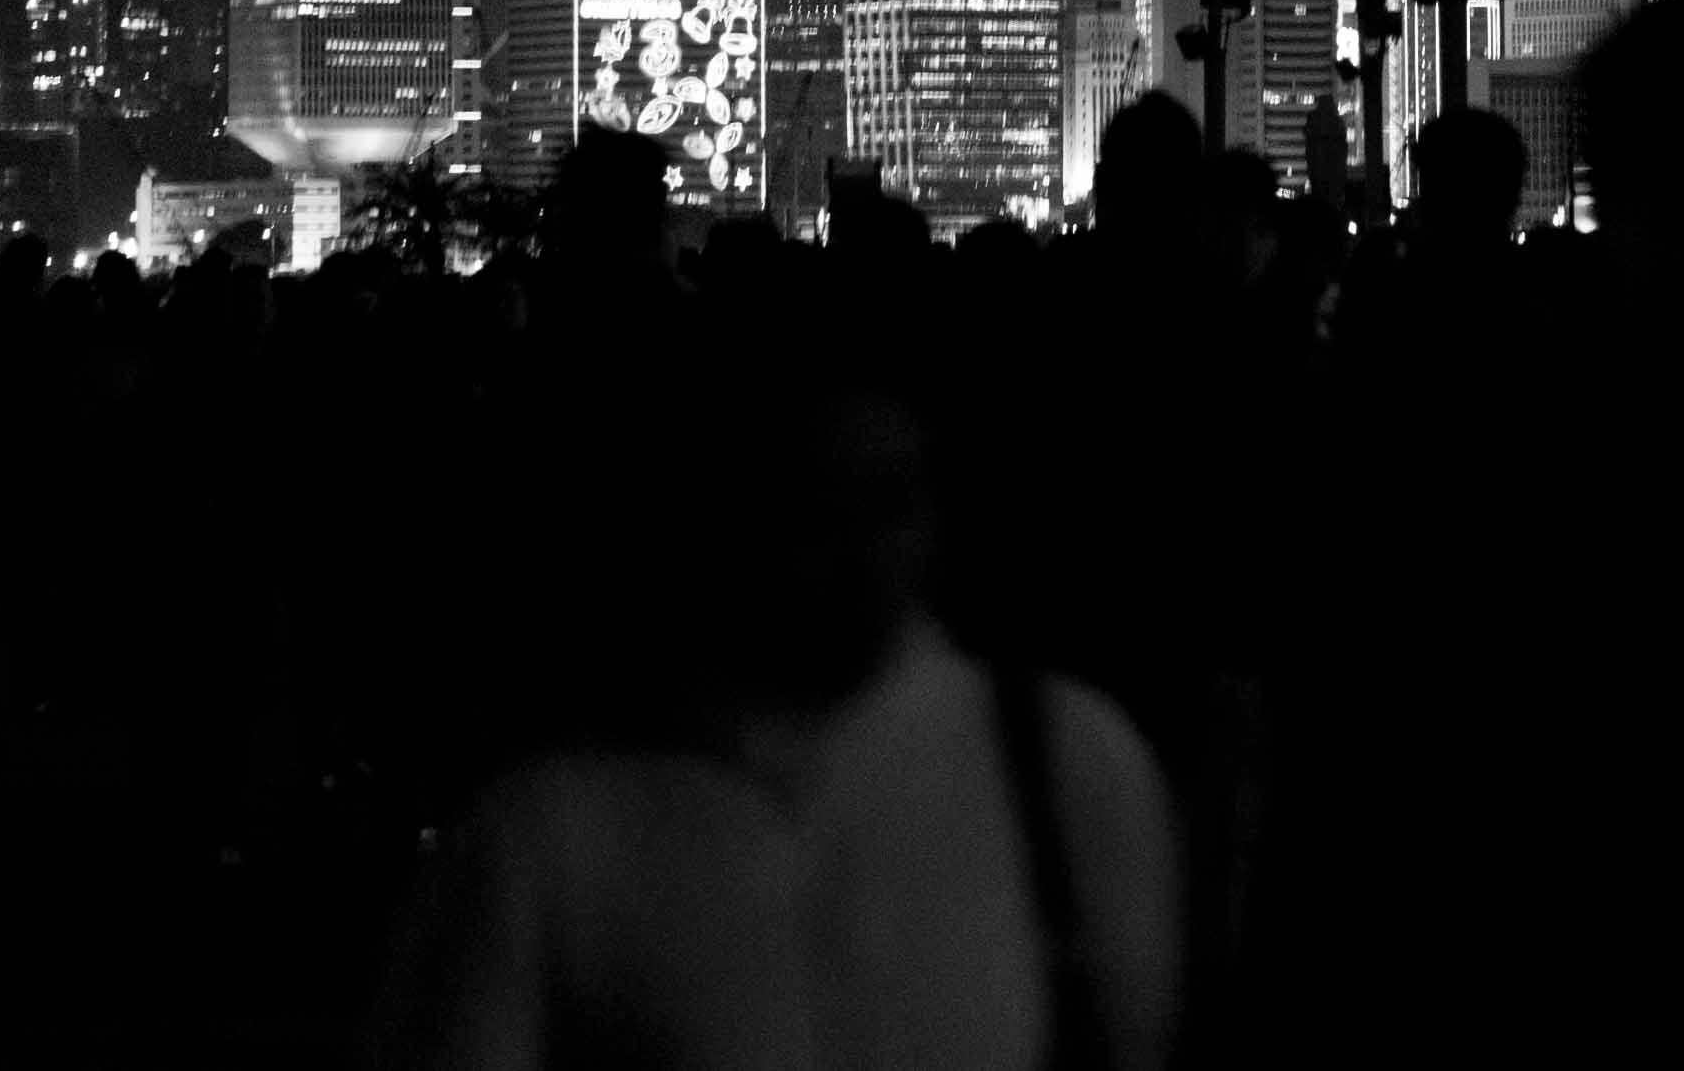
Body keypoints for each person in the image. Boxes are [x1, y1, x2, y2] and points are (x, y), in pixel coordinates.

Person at [372, 342, 1178, 1071]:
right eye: (816, 508)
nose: (860, 557)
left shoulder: (554, 824)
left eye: (887, 501)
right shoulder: (1056, 763)